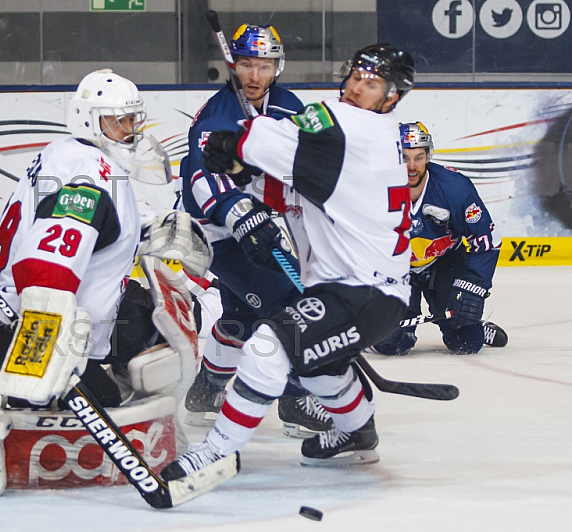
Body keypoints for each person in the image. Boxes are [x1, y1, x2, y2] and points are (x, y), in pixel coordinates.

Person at [0, 69, 208, 498]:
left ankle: (56, 388)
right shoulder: (90, 177)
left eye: (132, 119)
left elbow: (94, 227)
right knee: (114, 387)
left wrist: (148, 227)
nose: (129, 130)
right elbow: (45, 268)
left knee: (150, 315)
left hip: (15, 311)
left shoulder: (70, 154)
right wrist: (53, 344)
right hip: (23, 329)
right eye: (117, 120)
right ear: (90, 120)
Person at [161, 43, 417, 497]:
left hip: (359, 293)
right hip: (375, 294)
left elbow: (261, 140)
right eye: (357, 75)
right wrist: (244, 173)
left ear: (391, 97)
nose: (358, 87)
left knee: (268, 345)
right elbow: (299, 190)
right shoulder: (379, 138)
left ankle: (217, 452)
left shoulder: (344, 123)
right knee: (320, 367)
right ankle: (357, 432)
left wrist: (230, 144)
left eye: (372, 83)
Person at [177, 23, 331, 436]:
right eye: (246, 64)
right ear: (234, 67)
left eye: (264, 66)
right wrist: (240, 214)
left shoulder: (288, 105)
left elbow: (310, 161)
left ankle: (206, 390)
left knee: (242, 315)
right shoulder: (218, 114)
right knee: (292, 307)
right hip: (219, 233)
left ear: (276, 67)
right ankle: (297, 400)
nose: (254, 76)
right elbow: (199, 182)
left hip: (268, 226)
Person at [369, 122, 507, 356]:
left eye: (419, 157)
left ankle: (478, 329)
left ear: (428, 156)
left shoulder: (454, 188)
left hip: (444, 264)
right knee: (390, 344)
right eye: (404, 158)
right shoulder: (371, 190)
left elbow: (486, 240)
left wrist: (472, 286)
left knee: (466, 343)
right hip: (394, 270)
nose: (412, 167)